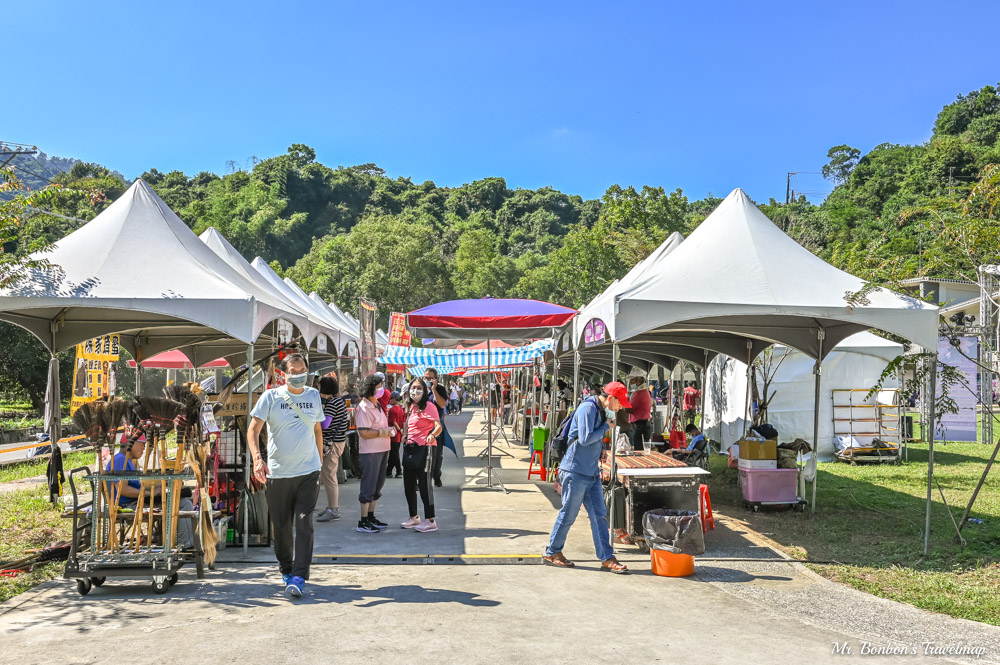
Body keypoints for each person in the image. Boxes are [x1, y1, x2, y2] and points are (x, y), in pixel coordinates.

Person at [248, 353, 323, 599]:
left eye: (302, 370)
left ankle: (300, 576)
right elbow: (253, 430)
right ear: (284, 373)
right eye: (294, 371)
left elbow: (317, 430)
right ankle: (286, 568)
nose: (299, 375)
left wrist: (319, 462)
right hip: (279, 474)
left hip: (308, 473)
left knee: (304, 524)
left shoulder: (313, 395)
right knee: (281, 527)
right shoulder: (270, 397)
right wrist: (258, 460)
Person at [544, 381, 630, 574]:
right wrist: (606, 428)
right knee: (568, 514)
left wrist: (600, 449)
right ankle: (552, 552)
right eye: (620, 402)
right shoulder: (588, 408)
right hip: (574, 472)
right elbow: (584, 439)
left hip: (590, 473)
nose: (621, 406)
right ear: (611, 398)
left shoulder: (600, 410)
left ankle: (607, 557)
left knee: (599, 515)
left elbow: (591, 439)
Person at [353, 374, 393, 534]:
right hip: (371, 451)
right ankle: (362, 521)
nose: (381, 389)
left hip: (383, 449)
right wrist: (383, 432)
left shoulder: (377, 405)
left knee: (378, 484)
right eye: (379, 386)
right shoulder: (363, 407)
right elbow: (364, 432)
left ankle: (370, 516)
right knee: (369, 485)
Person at [401, 378, 442, 532]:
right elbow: (407, 423)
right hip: (410, 448)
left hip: (426, 449)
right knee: (408, 485)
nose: (415, 391)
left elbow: (438, 427)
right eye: (413, 387)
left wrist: (432, 435)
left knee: (425, 486)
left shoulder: (429, 406)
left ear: (425, 390)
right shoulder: (411, 406)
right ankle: (414, 517)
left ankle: (430, 520)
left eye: (419, 388)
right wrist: (405, 434)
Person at [316, 376, 348, 522]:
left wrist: (315, 418)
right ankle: (330, 506)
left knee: (329, 477)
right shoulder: (337, 401)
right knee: (328, 476)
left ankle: (333, 509)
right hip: (337, 442)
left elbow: (325, 425)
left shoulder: (333, 403)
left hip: (332, 444)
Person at [424, 367, 448, 487]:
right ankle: (423, 479)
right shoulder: (421, 389)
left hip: (437, 426)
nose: (427, 380)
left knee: (437, 455)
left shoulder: (440, 389)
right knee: (422, 453)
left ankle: (436, 475)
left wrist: (433, 390)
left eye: (430, 378)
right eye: (426, 377)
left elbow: (442, 404)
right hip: (423, 427)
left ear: (435, 379)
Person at [627, 369, 652, 451]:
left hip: (639, 426)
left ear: (637, 380)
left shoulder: (639, 393)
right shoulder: (645, 391)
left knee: (639, 450)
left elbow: (629, 409)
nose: (630, 382)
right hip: (643, 424)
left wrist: (624, 403)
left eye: (632, 380)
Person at [386, 391, 405, 478]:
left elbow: (393, 422)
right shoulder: (401, 409)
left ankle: (399, 470)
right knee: (394, 453)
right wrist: (403, 431)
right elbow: (404, 421)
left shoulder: (392, 410)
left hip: (394, 433)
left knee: (394, 453)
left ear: (394, 399)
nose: (390, 400)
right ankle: (389, 471)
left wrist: (399, 429)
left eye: (391, 399)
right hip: (399, 433)